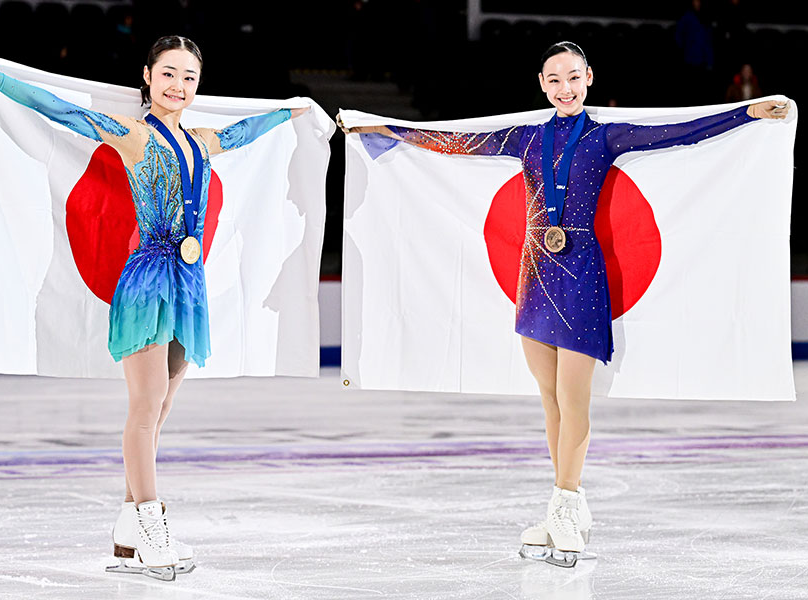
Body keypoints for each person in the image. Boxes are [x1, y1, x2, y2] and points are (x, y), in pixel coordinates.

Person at [338, 41, 789, 568]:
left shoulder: (605, 135)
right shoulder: (527, 137)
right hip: (534, 272)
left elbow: (677, 133)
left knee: (575, 401)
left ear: (590, 78)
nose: (564, 88)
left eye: (573, 77)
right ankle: (563, 503)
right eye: (554, 80)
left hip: (581, 272)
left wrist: (745, 112)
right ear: (541, 84)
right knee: (549, 399)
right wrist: (385, 128)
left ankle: (567, 505)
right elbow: (456, 141)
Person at [0, 35, 308, 581]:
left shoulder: (204, 141)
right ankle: (151, 523)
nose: (178, 85)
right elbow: (57, 109)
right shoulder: (132, 135)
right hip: (148, 280)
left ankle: (126, 530)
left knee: (159, 413)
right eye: (168, 74)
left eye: (188, 76)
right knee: (146, 407)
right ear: (147, 76)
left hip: (188, 283)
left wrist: (291, 111)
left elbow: (246, 131)